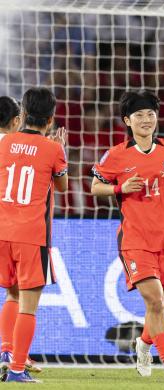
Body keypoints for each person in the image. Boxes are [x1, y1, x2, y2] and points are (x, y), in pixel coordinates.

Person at [90, 90, 164, 378]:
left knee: (163, 306)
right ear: (128, 120)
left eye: (151, 114)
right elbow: (95, 187)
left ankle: (144, 344)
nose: (147, 119)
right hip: (135, 239)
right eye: (139, 115)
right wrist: (120, 188)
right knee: (155, 302)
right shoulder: (117, 154)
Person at [0, 88, 68, 383]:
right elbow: (62, 187)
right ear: (51, 119)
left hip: (2, 232)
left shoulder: (4, 142)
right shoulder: (54, 149)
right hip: (32, 235)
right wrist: (58, 150)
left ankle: (5, 351)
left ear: (24, 115)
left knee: (11, 293)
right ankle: (16, 369)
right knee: (29, 304)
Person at [0, 95, 44, 376]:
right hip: (20, 228)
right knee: (24, 296)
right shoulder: (10, 146)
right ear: (17, 120)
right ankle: (16, 361)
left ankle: (9, 351)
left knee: (12, 291)